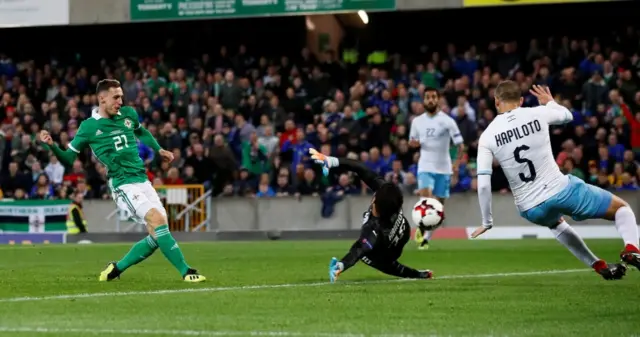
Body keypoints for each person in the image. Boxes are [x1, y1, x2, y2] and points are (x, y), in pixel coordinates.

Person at [39, 79, 206, 283]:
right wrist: (52, 146)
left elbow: (141, 131)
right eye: (115, 97)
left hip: (143, 181)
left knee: (158, 233)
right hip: (122, 184)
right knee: (157, 219)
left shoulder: (128, 114)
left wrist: (158, 149)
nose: (120, 101)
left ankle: (116, 269)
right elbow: (68, 159)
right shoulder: (89, 127)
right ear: (102, 98)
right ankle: (186, 271)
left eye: (121, 97)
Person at [472, 82, 638, 280]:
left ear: (496, 101)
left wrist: (487, 222)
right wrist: (550, 102)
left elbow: (483, 184)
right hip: (560, 190)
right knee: (622, 209)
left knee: (557, 224)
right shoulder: (538, 113)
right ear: (522, 101)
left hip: (530, 208)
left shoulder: (487, 136)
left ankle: (598, 265)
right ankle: (633, 249)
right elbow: (567, 115)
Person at [309, 148, 433, 283]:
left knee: (367, 255)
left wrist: (341, 265)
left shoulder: (374, 229)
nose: (373, 195)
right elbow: (360, 168)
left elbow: (358, 250)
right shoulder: (390, 195)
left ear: (376, 205)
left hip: (386, 250)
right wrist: (331, 161)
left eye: (375, 197)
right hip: (403, 232)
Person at [409, 87, 464, 250]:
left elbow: (461, 146)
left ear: (438, 99)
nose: (430, 100)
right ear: (423, 101)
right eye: (427, 97)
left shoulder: (447, 121)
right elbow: (412, 141)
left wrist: (456, 165)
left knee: (438, 206)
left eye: (433, 97)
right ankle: (421, 227)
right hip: (425, 165)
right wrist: (414, 144)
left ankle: (426, 237)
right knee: (426, 198)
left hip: (444, 168)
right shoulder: (417, 122)